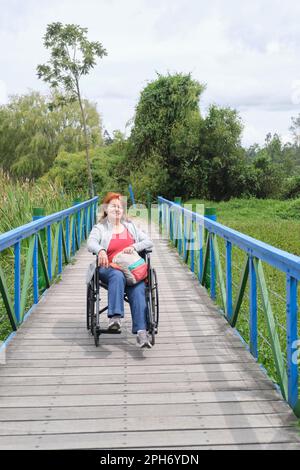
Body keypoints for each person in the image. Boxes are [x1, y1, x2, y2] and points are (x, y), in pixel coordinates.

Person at [87, 192, 154, 348]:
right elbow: (91, 242)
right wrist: (101, 250)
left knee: (138, 289)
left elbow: (148, 242)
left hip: (130, 271)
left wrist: (134, 246)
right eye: (113, 206)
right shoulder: (100, 228)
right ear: (105, 209)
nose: (116, 209)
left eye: (119, 206)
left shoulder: (130, 227)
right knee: (117, 275)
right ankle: (115, 317)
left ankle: (142, 333)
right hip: (108, 268)